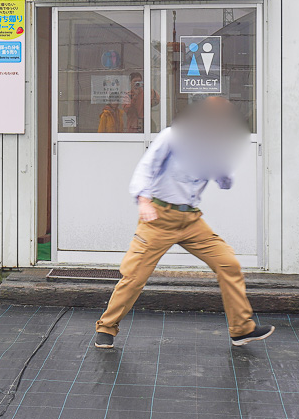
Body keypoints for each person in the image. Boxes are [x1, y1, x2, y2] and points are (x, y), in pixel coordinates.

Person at [94, 96, 275, 349]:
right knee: (134, 276)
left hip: (190, 220)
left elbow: (225, 181)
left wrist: (222, 170)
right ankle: (107, 328)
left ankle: (241, 329)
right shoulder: (172, 136)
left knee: (228, 263)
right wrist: (143, 200)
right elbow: (146, 167)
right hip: (158, 217)